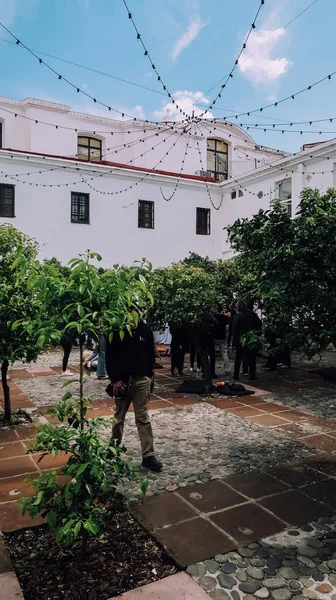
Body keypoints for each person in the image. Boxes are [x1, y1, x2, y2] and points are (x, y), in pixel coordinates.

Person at [105, 316, 162, 473]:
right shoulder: (117, 330)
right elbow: (109, 355)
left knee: (143, 418)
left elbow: (151, 352)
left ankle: (148, 455)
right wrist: (115, 379)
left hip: (142, 380)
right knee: (119, 418)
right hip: (122, 382)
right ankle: (113, 450)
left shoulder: (145, 330)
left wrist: (150, 376)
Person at [232, 301, 262, 381]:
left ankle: (236, 374)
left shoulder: (238, 316)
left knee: (238, 358)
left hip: (240, 340)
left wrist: (234, 342)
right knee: (251, 358)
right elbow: (259, 325)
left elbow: (234, 329)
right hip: (251, 339)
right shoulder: (252, 315)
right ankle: (252, 375)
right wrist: (256, 336)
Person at [213, 305, 231, 374]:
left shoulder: (213, 317)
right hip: (222, 336)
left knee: (211, 353)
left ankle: (210, 369)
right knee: (224, 352)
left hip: (214, 337)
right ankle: (227, 369)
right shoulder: (224, 317)